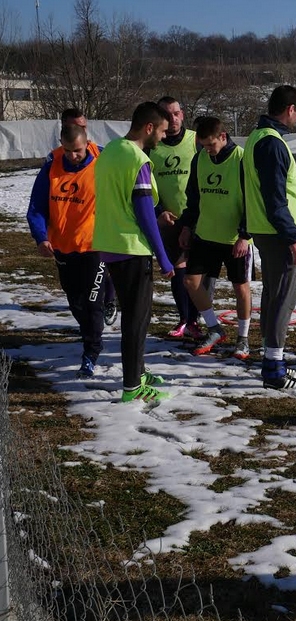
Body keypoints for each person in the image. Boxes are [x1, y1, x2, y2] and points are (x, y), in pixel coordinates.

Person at [92, 102, 175, 403]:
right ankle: (132, 388)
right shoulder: (138, 159)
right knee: (137, 320)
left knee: (131, 315)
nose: (164, 137)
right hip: (131, 247)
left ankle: (137, 373)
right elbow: (143, 213)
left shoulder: (110, 150)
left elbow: (123, 199)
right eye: (163, 131)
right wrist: (163, 257)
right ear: (149, 128)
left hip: (108, 243)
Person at [242, 85, 296, 389]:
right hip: (277, 234)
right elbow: (275, 199)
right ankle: (274, 368)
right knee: (283, 299)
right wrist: (293, 238)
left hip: (264, 231)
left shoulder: (257, 137)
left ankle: (272, 357)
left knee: (272, 296)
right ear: (290, 109)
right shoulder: (271, 144)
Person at [26, 124, 106, 378]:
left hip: (95, 247)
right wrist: (40, 237)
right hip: (62, 247)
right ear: (61, 145)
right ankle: (90, 334)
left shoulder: (101, 166)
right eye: (68, 150)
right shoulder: (52, 168)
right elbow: (36, 207)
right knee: (76, 301)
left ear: (87, 143)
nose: (73, 156)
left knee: (94, 303)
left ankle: (90, 353)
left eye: (78, 151)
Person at [177, 116, 252, 360]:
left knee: (240, 287)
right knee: (191, 282)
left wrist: (245, 235)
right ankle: (214, 329)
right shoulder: (200, 158)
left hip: (234, 239)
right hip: (205, 235)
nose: (207, 150)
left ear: (223, 136)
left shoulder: (241, 159)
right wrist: (187, 226)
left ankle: (243, 339)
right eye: (203, 145)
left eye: (211, 145)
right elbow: (194, 197)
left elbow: (253, 201)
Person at [56, 107, 118, 325]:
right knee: (79, 288)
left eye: (83, 126)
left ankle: (109, 301)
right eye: (75, 126)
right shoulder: (55, 158)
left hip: (99, 228)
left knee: (105, 268)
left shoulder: (100, 153)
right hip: (70, 234)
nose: (80, 130)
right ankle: (89, 319)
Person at [149, 96, 201, 340]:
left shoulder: (195, 140)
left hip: (200, 217)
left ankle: (198, 318)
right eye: (167, 116)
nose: (173, 120)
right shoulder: (153, 145)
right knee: (178, 270)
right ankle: (186, 320)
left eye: (177, 113)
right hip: (170, 220)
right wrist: (159, 212)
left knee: (199, 272)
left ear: (183, 113)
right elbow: (145, 185)